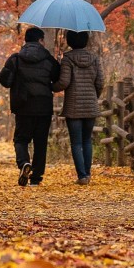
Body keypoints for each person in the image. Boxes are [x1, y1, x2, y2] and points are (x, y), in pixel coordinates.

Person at [0, 27, 60, 186]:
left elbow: (5, 81)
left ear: (26, 41)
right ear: (40, 40)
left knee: (21, 139)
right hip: (43, 106)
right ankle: (36, 177)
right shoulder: (49, 60)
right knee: (40, 142)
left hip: (23, 105)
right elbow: (58, 77)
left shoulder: (15, 59)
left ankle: (24, 163)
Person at [52, 30, 103, 185]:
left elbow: (64, 82)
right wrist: (94, 97)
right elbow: (100, 82)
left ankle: (81, 176)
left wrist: (52, 86)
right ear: (86, 40)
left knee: (76, 142)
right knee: (87, 140)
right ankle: (87, 174)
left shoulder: (68, 58)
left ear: (69, 41)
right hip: (90, 105)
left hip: (73, 107)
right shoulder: (94, 58)